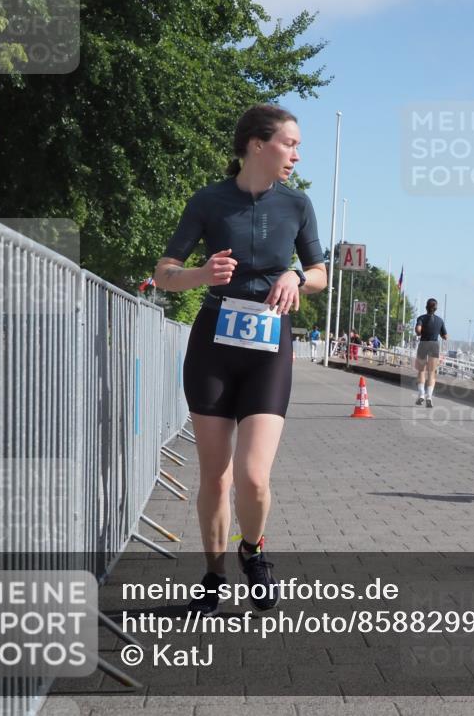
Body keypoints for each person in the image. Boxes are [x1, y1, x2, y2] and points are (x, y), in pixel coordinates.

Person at [154, 103, 327, 615]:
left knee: (253, 475)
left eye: (297, 145)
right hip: (214, 345)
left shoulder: (297, 205)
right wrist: (200, 274)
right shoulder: (209, 201)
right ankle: (212, 575)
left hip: (270, 346)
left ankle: (253, 550)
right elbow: (164, 272)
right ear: (257, 144)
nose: (296, 153)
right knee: (216, 476)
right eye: (289, 143)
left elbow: (320, 273)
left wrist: (296, 277)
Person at [414, 298, 448, 408]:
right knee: (432, 372)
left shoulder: (421, 318)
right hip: (434, 345)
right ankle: (429, 396)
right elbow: (445, 337)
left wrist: (421, 331)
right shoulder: (440, 320)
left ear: (426, 307)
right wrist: (439, 333)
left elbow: (418, 330)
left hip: (423, 344)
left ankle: (421, 394)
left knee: (421, 371)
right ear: (436, 308)